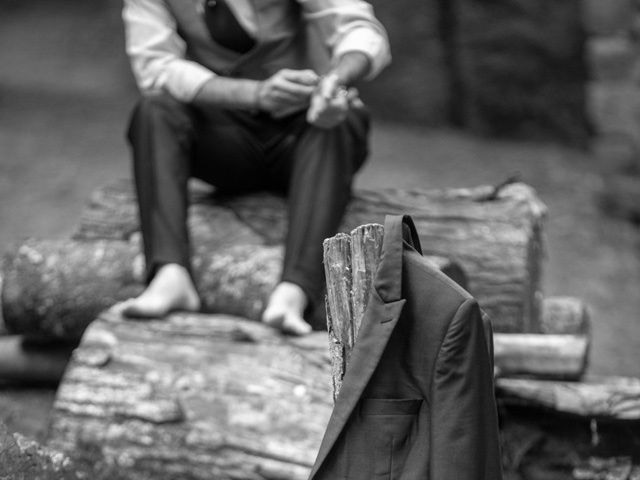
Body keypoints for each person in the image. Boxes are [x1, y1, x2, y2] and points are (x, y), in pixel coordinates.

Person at [119, 0, 391, 335]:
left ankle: (294, 290)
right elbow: (155, 67)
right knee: (154, 111)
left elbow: (360, 30)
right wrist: (256, 94)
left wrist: (335, 80)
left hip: (309, 138)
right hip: (226, 145)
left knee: (344, 118)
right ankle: (169, 273)